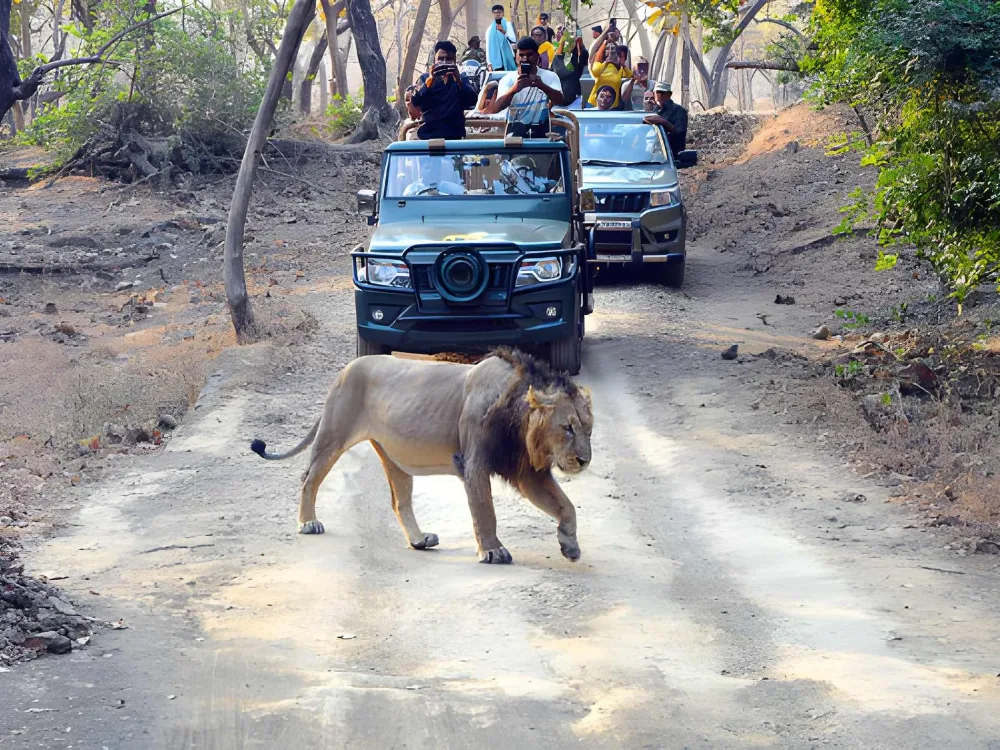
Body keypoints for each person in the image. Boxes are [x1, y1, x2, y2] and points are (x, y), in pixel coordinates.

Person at [490, 36, 564, 138]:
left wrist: (541, 85)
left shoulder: (550, 76)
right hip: (514, 136)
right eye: (521, 55)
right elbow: (496, 108)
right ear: (516, 56)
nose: (525, 59)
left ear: (537, 56)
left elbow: (559, 100)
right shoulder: (507, 80)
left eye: (529, 55)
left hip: (542, 135)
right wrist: (514, 90)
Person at [411, 41, 478, 140]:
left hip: (454, 135)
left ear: (455, 61)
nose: (444, 62)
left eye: (449, 59)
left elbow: (472, 100)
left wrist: (458, 80)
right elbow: (415, 101)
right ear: (434, 60)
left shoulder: (461, 79)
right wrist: (430, 81)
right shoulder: (425, 79)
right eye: (440, 59)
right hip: (428, 135)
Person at [587, 25, 632, 109]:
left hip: (613, 105)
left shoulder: (619, 68)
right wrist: (606, 41)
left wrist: (622, 65)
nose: (611, 52)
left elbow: (630, 75)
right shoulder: (599, 64)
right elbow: (595, 72)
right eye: (608, 49)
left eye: (614, 51)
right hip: (595, 103)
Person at [644, 80, 688, 154]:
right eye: (657, 92)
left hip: (672, 153)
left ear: (669, 94)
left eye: (663, 93)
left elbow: (679, 133)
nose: (659, 95)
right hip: (653, 152)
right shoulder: (654, 110)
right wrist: (648, 111)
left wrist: (663, 122)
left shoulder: (679, 110)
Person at [552, 32, 588, 108]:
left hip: (574, 101)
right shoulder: (557, 60)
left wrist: (580, 45)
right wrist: (563, 40)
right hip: (558, 101)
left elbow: (584, 56)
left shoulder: (575, 58)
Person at [485, 4, 517, 71]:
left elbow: (513, 40)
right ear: (492, 14)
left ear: (503, 13)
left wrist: (503, 32)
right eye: (495, 12)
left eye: (499, 12)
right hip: (495, 59)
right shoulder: (489, 29)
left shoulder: (508, 24)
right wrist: (489, 62)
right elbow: (488, 46)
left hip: (508, 56)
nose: (497, 14)